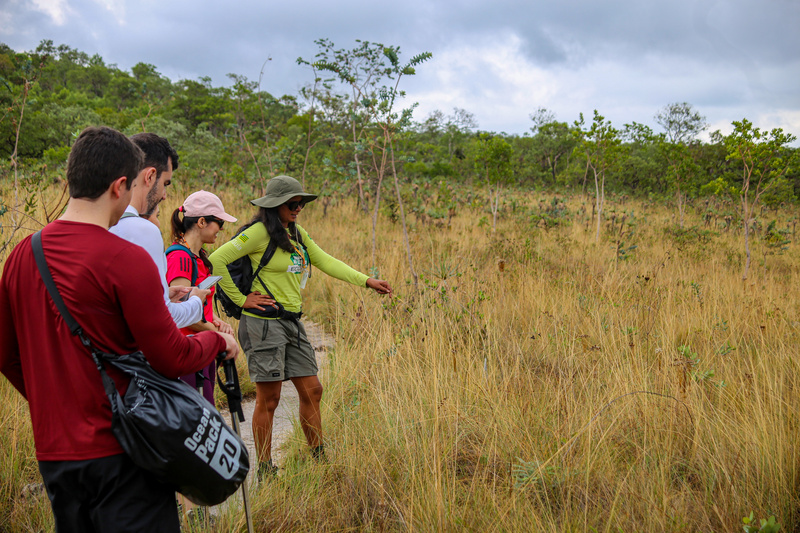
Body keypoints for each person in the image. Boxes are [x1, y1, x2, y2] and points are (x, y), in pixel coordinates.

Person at [0, 126, 239, 533]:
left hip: (56, 454)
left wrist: (54, 406)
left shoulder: (23, 255)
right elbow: (170, 356)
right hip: (122, 450)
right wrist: (214, 339)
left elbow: (6, 354)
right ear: (120, 185)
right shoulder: (125, 258)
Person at [209, 175, 392, 479]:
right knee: (270, 397)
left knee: (313, 390)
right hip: (264, 325)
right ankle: (266, 469)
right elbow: (216, 258)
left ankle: (319, 459)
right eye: (292, 204)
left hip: (293, 322)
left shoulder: (296, 233)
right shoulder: (257, 233)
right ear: (275, 205)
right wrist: (242, 301)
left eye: (301, 204)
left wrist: (366, 281)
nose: (298, 209)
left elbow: (324, 260)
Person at [109, 132, 206, 328]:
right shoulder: (144, 231)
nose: (163, 195)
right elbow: (163, 318)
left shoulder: (103, 221)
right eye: (165, 184)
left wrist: (162, 293)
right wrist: (195, 302)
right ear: (150, 175)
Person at [166, 190, 237, 402]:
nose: (222, 228)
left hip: (200, 349)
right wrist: (218, 336)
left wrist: (216, 322)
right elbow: (181, 313)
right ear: (202, 222)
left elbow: (200, 307)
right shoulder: (180, 257)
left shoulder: (199, 257)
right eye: (218, 222)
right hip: (186, 350)